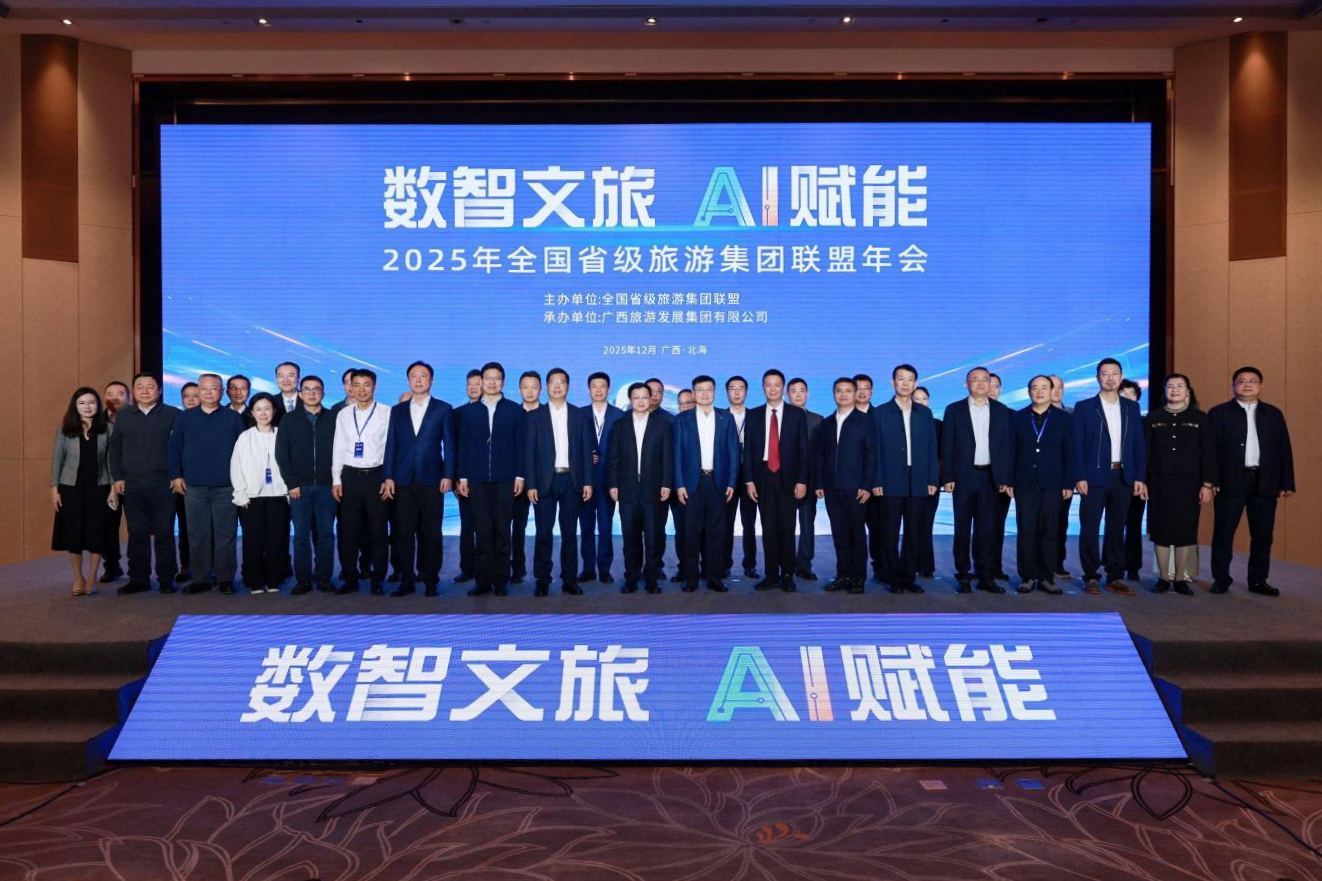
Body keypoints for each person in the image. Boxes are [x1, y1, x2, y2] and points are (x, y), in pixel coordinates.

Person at [1208, 367, 1295, 596]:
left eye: (1252, 381)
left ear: (1261, 386)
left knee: (1263, 534)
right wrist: (1212, 479)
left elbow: (1284, 449)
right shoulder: (1218, 413)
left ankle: (1258, 580)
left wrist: (1286, 481)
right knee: (1224, 532)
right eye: (1242, 381)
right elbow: (1210, 450)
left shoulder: (1273, 414)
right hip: (1229, 480)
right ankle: (1221, 579)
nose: (1247, 384)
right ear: (1233, 385)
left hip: (1264, 481)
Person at [1071, 358, 1148, 595]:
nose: (1110, 378)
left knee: (1117, 528)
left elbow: (1138, 444)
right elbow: (1076, 445)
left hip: (1123, 476)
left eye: (1114, 373)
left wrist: (1139, 476)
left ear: (1121, 377)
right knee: (1090, 528)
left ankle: (1115, 576)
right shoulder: (1085, 407)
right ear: (1098, 378)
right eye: (1105, 374)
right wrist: (1079, 476)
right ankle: (1091, 576)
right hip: (1093, 476)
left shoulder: (1131, 407)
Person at [382, 360, 455, 598]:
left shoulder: (443, 409)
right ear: (408, 380)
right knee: (403, 533)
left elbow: (450, 446)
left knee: (431, 533)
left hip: (432, 479)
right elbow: (391, 446)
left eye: (423, 375)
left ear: (431, 380)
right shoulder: (397, 411)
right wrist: (388, 476)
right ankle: (406, 581)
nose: (418, 379)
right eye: (414, 375)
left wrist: (448, 475)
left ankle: (431, 581)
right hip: (402, 480)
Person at [169, 373, 246, 594]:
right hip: (194, 486)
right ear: (199, 390)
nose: (209, 392)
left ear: (221, 391)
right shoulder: (185, 417)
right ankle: (201, 579)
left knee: (226, 535)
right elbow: (174, 448)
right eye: (204, 388)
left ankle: (225, 579)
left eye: (214, 388)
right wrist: (176, 476)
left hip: (226, 486)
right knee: (197, 534)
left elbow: (244, 451)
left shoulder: (232, 417)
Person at [456, 362, 527, 597]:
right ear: (481, 381)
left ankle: (500, 581)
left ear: (503, 382)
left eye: (497, 378)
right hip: (477, 480)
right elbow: (463, 447)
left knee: (502, 531)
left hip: (505, 480)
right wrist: (463, 477)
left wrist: (520, 475)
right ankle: (483, 581)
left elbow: (521, 446)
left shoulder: (515, 410)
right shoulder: (469, 412)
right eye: (488, 378)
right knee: (482, 531)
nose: (492, 382)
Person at [941, 367, 1013, 594]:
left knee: (987, 530)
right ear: (966, 384)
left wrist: (1005, 477)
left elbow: (1006, 448)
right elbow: (947, 445)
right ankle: (963, 575)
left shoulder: (1002, 411)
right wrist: (948, 476)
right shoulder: (954, 409)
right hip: (963, 477)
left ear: (990, 383)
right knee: (962, 529)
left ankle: (986, 576)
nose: (981, 383)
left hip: (990, 478)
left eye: (985, 380)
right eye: (975, 379)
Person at [524, 367, 594, 596]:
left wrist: (588, 481)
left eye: (561, 382)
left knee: (569, 532)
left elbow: (586, 451)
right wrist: (531, 484)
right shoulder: (535, 416)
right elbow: (529, 454)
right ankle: (542, 580)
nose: (557, 386)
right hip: (545, 481)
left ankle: (569, 580)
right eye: (553, 382)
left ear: (568, 386)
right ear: (546, 387)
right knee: (543, 532)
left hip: (572, 480)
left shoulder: (580, 416)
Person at [108, 374, 180, 594]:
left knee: (164, 532)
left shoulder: (173, 414)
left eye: (150, 386)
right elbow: (115, 449)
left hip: (164, 484)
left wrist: (177, 475)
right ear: (134, 391)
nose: (145, 391)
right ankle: (139, 579)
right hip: (132, 485)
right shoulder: (124, 415)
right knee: (137, 532)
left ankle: (167, 578)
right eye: (140, 387)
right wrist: (118, 477)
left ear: (159, 390)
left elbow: (180, 448)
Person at [1145, 373, 1214, 595]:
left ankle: (1179, 578)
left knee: (1186, 530)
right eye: (1170, 386)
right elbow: (1146, 453)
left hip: (1190, 482)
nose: (1174, 389)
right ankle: (1163, 578)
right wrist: (1143, 482)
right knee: (1161, 530)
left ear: (1188, 392)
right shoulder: (1153, 417)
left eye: (1180, 386)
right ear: (1164, 390)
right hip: (1159, 481)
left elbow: (1208, 453)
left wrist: (1207, 484)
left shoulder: (1200, 418)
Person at [873, 364, 940, 595]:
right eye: (901, 379)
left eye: (910, 379)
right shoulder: (880, 413)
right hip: (890, 481)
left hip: (918, 480)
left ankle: (908, 577)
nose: (905, 383)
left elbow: (931, 449)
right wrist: (877, 481)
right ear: (893, 382)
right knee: (889, 533)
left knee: (914, 532)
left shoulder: (925, 413)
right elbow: (875, 451)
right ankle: (893, 577)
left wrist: (932, 479)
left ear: (915, 383)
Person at [744, 369, 810, 592]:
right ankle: (771, 575)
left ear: (783, 387)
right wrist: (749, 480)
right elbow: (748, 451)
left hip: (788, 477)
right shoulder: (753, 415)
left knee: (787, 528)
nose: (772, 389)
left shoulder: (796, 414)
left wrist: (802, 480)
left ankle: (788, 574)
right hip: (763, 476)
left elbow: (803, 450)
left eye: (777, 384)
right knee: (768, 528)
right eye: (768, 384)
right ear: (763, 387)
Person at [1007, 376, 1074, 594]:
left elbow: (1070, 452)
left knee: (1050, 531)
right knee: (1026, 530)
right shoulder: (1017, 418)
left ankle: (1047, 577)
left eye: (1044, 388)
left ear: (1052, 391)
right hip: (1024, 482)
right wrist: (1008, 480)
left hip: (1053, 483)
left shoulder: (1064, 419)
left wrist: (1068, 482)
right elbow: (1010, 451)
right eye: (1035, 388)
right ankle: (1027, 576)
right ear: (1029, 392)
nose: (1039, 392)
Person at [674, 374, 741, 593]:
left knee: (716, 532)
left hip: (717, 482)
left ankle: (714, 577)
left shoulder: (725, 418)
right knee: (691, 533)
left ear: (714, 392)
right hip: (691, 484)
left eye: (709, 389)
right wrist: (679, 484)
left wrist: (732, 482)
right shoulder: (682, 419)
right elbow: (677, 455)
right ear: (693, 393)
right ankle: (691, 578)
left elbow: (733, 452)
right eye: (700, 390)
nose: (705, 393)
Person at [607, 382, 673, 593]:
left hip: (653, 489)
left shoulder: (663, 425)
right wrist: (613, 484)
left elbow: (667, 457)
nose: (642, 401)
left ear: (651, 398)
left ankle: (651, 579)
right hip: (627, 489)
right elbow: (613, 458)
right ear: (630, 400)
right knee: (630, 538)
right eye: (637, 397)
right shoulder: (619, 425)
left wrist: (666, 483)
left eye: (645, 397)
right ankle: (631, 579)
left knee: (653, 537)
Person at [275, 374, 338, 595]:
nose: (312, 393)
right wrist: (291, 483)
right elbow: (282, 454)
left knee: (326, 535)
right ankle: (303, 580)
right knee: (301, 536)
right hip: (299, 488)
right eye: (307, 389)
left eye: (316, 389)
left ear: (323, 393)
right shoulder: (288, 420)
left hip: (327, 487)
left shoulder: (334, 418)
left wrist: (337, 481)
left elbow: (342, 452)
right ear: (300, 394)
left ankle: (324, 578)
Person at [812, 377, 875, 594]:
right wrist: (819, 482)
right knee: (839, 533)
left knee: (856, 533)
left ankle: (858, 578)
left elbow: (872, 455)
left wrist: (867, 485)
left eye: (848, 391)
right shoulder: (826, 424)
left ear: (855, 393)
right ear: (834, 394)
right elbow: (820, 455)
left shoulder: (865, 421)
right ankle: (842, 575)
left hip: (856, 487)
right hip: (832, 488)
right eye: (839, 390)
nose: (843, 394)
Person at [332, 368, 391, 595]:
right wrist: (336, 479)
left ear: (374, 386)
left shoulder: (386, 412)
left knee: (378, 531)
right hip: (350, 478)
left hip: (376, 477)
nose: (361, 389)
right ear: (350, 387)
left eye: (366, 384)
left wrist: (387, 477)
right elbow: (338, 448)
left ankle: (378, 580)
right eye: (356, 384)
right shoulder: (344, 414)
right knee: (348, 531)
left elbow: (390, 449)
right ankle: (350, 578)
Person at [50, 388, 114, 596]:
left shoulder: (108, 429)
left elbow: (112, 461)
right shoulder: (65, 429)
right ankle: (78, 577)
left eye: (91, 402)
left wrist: (114, 488)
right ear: (75, 406)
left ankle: (92, 577)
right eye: (82, 403)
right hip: (71, 488)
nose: (87, 407)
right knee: (74, 533)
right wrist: (54, 490)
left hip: (99, 487)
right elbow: (57, 460)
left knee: (97, 532)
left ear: (98, 405)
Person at [230, 393, 288, 594]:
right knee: (253, 541)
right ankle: (255, 581)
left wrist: (288, 490)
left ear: (274, 411)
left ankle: (274, 579)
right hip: (252, 498)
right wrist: (241, 494)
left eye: (267, 408)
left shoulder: (282, 434)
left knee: (276, 540)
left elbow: (290, 464)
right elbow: (236, 467)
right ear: (252, 413)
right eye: (258, 409)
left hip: (279, 496)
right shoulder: (245, 437)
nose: (263, 413)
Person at [578, 371, 623, 584]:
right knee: (586, 527)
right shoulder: (579, 414)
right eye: (594, 386)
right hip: (584, 480)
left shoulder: (619, 415)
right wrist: (586, 456)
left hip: (609, 481)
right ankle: (587, 569)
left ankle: (604, 569)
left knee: (605, 527)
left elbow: (623, 449)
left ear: (608, 389)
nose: (598, 390)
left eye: (602, 386)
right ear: (588, 389)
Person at [853, 373, 889, 585]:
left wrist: (877, 481)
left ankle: (880, 569)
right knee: (853, 531)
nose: (862, 392)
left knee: (879, 530)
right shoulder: (843, 416)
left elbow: (885, 453)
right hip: (853, 485)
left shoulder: (881, 416)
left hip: (878, 486)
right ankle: (854, 573)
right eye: (858, 388)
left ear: (872, 391)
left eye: (866, 388)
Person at [646, 377, 684, 580]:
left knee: (667, 528)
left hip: (670, 484)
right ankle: (648, 566)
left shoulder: (672, 420)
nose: (655, 395)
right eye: (650, 391)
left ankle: (666, 566)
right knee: (648, 528)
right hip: (645, 484)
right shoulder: (628, 420)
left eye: (659, 391)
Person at [722, 375, 758, 580]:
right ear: (727, 392)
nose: (736, 392)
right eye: (732, 388)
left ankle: (750, 564)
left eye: (741, 388)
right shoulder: (720, 416)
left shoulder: (755, 417)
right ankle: (724, 564)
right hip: (727, 474)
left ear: (746, 392)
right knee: (726, 522)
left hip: (749, 474)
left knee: (749, 522)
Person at [788, 377, 823, 581]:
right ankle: (785, 563)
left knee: (807, 524)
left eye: (802, 390)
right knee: (785, 525)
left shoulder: (818, 420)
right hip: (784, 482)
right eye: (794, 391)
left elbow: (821, 455)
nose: (798, 394)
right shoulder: (779, 418)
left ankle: (804, 565)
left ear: (807, 394)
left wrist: (819, 483)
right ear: (787, 395)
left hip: (809, 482)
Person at [510, 370, 542, 585]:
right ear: (519, 389)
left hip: (543, 480)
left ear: (541, 389)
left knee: (543, 528)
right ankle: (517, 569)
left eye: (534, 387)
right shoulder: (512, 413)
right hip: (516, 481)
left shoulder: (549, 414)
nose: (529, 391)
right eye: (525, 387)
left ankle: (541, 573)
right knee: (517, 527)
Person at [98, 380, 130, 584]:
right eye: (110, 393)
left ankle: (138, 568)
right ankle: (111, 566)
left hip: (134, 480)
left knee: (137, 526)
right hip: (105, 482)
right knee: (108, 526)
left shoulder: (137, 418)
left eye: (120, 393)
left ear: (128, 397)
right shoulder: (96, 421)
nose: (115, 397)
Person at [453, 368, 482, 583]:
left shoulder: (492, 411)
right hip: (464, 481)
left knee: (486, 527)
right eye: (469, 384)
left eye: (477, 383)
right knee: (467, 526)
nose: (473, 388)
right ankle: (467, 568)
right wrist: (456, 478)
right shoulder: (457, 414)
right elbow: (453, 449)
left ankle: (485, 568)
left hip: (488, 481)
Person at [1119, 379, 1147, 580]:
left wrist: (1142, 479)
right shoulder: (1108, 419)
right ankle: (1114, 566)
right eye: (1124, 393)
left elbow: (1146, 453)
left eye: (1132, 394)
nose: (1128, 397)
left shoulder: (1144, 422)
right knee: (1114, 525)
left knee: (1134, 525)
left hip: (1136, 480)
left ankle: (1133, 567)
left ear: (1137, 398)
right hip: (1114, 479)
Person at [912, 386, 941, 579]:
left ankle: (926, 564)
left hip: (930, 482)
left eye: (924, 399)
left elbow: (941, 455)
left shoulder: (938, 425)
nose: (921, 402)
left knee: (926, 523)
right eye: (917, 399)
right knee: (911, 524)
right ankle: (910, 563)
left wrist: (935, 479)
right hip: (907, 482)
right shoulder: (903, 423)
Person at [986, 372, 1012, 581]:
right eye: (988, 384)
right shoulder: (968, 412)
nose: (991, 389)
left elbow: (1014, 451)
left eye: (996, 386)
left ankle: (995, 567)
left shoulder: (1010, 415)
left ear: (1000, 389)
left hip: (1001, 480)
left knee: (997, 525)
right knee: (978, 526)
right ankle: (979, 568)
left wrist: (1008, 479)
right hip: (976, 476)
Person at [1049, 374, 1074, 579]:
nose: (1056, 391)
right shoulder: (1032, 414)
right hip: (1039, 478)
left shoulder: (1073, 414)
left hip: (1064, 478)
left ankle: (1057, 563)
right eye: (1052, 386)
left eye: (1060, 386)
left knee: (1060, 523)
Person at [175, 382, 199, 583]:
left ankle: (210, 566)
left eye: (195, 395)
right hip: (182, 483)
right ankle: (186, 565)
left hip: (206, 483)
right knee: (185, 526)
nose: (191, 400)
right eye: (186, 396)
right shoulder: (178, 420)